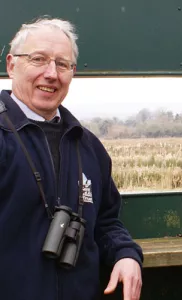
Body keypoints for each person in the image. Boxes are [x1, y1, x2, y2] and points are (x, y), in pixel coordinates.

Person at [0, 18, 143, 300]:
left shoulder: (89, 146)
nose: (51, 74)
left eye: (62, 64)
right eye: (38, 59)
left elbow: (106, 222)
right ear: (11, 64)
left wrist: (125, 255)